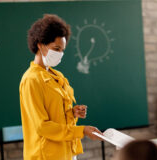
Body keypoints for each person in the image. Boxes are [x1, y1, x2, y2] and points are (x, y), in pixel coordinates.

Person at [19, 14, 102, 160]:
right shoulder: (31, 80)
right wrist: (81, 131)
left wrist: (72, 113)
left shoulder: (57, 76)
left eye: (62, 50)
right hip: (46, 156)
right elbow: (42, 127)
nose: (60, 54)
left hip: (66, 153)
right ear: (40, 44)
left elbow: (57, 116)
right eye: (56, 48)